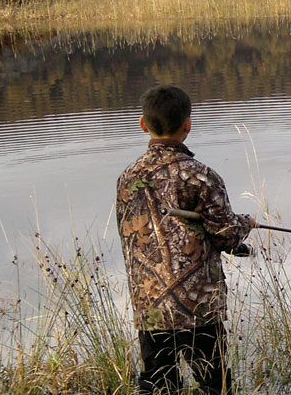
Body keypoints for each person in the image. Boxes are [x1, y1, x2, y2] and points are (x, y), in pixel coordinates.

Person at [115, 84, 256, 394]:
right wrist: (247, 223)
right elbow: (226, 234)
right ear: (188, 125)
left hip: (150, 303)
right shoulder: (201, 176)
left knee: (159, 384)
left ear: (143, 124)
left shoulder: (127, 178)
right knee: (213, 384)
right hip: (199, 307)